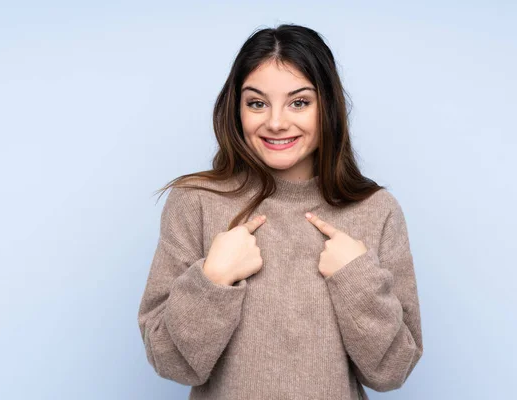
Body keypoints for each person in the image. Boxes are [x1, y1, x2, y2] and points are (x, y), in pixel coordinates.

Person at [137, 23, 423, 400]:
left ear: (328, 107)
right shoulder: (195, 201)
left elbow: (392, 371)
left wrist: (356, 280)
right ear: (237, 109)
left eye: (299, 102)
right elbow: (169, 362)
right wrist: (213, 278)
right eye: (256, 102)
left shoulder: (375, 210)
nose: (275, 122)